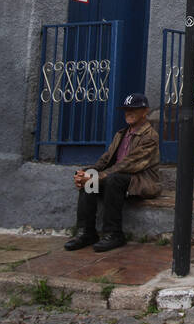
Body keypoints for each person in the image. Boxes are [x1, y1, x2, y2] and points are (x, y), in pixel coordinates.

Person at [64, 93, 161, 252]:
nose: (128, 112)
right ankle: (86, 232)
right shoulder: (121, 134)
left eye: (134, 109)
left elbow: (129, 165)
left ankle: (113, 233)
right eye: (126, 109)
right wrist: (86, 174)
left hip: (141, 181)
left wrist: (95, 177)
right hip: (115, 178)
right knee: (91, 175)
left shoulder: (150, 136)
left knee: (112, 179)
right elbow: (105, 159)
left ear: (145, 111)